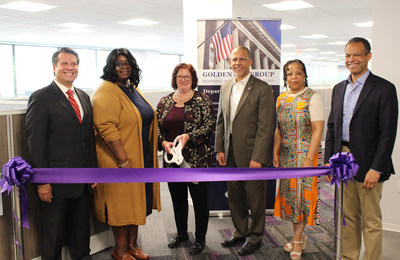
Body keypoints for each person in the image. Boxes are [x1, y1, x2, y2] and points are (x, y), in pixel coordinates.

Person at [325, 37, 398, 260]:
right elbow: (332, 127)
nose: (351, 59)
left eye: (357, 54)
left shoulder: (384, 88)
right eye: (348, 55)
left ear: (368, 56)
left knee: (371, 220)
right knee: (348, 216)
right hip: (342, 159)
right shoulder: (339, 89)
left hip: (369, 161)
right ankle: (349, 257)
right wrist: (330, 161)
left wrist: (377, 168)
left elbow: (388, 133)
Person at [26, 47, 97, 260]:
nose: (70, 67)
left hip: (82, 182)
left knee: (81, 235)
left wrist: (93, 172)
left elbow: (88, 139)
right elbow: (36, 143)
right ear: (54, 67)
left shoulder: (83, 96)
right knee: (53, 238)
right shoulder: (41, 98)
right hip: (55, 184)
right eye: (64, 63)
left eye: (73, 63)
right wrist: (42, 181)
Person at [91, 48, 161, 260]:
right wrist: (123, 161)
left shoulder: (131, 89)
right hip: (120, 162)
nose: (124, 67)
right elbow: (106, 128)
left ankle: (132, 246)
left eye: (128, 63)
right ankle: (119, 250)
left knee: (136, 202)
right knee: (122, 205)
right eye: (119, 63)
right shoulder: (106, 91)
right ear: (111, 67)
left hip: (142, 158)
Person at [215, 46, 275, 256]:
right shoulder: (225, 87)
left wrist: (258, 157)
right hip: (230, 153)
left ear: (250, 62)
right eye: (233, 60)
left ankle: (255, 236)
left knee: (256, 198)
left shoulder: (262, 88)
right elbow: (221, 120)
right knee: (235, 195)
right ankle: (240, 231)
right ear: (229, 63)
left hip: (252, 156)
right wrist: (220, 149)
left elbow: (266, 127)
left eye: (241, 59)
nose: (237, 63)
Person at [156, 63, 215, 255]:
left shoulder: (202, 100)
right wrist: (163, 142)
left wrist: (189, 136)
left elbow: (209, 125)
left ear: (193, 79)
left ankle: (200, 238)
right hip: (173, 161)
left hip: (197, 160)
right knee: (178, 199)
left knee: (200, 201)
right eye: (180, 76)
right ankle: (181, 233)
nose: (183, 80)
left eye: (187, 77)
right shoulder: (165, 101)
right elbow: (156, 127)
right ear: (175, 79)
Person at [272, 59, 324, 260]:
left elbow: (318, 130)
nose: (294, 77)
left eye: (298, 73)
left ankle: (296, 240)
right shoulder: (281, 99)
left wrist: (310, 158)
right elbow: (278, 129)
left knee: (302, 198)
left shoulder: (313, 97)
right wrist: (275, 152)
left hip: (305, 156)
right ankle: (298, 236)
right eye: (290, 74)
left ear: (304, 76)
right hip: (286, 157)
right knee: (291, 199)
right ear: (286, 78)